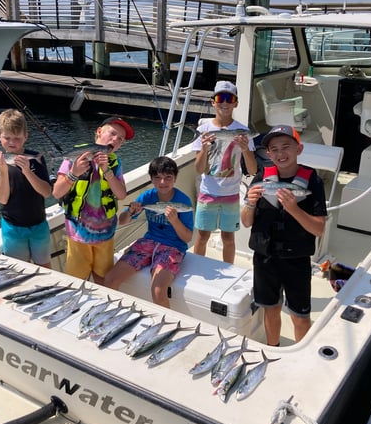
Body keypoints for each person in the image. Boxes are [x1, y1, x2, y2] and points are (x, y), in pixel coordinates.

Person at [241, 125, 327, 346]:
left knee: (299, 315)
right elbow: (246, 221)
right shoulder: (262, 176)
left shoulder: (313, 182)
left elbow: (318, 229)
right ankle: (273, 348)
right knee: (270, 309)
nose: (281, 154)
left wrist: (294, 209)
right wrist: (250, 203)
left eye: (286, 147)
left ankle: (302, 355)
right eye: (274, 149)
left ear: (299, 148)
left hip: (296, 259)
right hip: (265, 257)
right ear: (268, 154)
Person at [52, 116, 133, 284]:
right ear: (99, 131)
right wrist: (73, 173)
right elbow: (57, 192)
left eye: (120, 139)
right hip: (78, 234)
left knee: (103, 279)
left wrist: (108, 171)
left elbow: (121, 195)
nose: (115, 140)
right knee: (77, 280)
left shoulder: (115, 163)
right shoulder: (76, 156)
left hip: (106, 234)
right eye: (112, 133)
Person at [104, 156, 194, 308]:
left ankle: (167, 326)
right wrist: (131, 212)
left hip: (173, 246)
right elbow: (123, 220)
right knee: (110, 280)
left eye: (168, 178)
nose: (163, 182)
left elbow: (187, 238)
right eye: (157, 178)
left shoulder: (183, 202)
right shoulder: (147, 196)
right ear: (151, 179)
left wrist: (175, 221)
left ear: (175, 178)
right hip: (148, 242)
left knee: (158, 291)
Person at [192, 80, 257, 264]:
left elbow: (252, 170)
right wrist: (204, 149)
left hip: (231, 194)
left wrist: (245, 149)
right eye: (221, 98)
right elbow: (198, 169)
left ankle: (229, 268)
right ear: (213, 101)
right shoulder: (203, 130)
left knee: (228, 238)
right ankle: (198, 267)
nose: (225, 103)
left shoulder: (243, 131)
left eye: (230, 98)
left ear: (236, 103)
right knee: (203, 236)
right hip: (207, 192)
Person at [0, 108, 53, 268]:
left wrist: (27, 170)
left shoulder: (36, 157)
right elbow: (2, 199)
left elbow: (46, 192)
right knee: (18, 270)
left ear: (26, 136)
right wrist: (3, 171)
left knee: (45, 267)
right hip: (13, 227)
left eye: (17, 138)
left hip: (39, 225)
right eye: (7, 137)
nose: (12, 142)